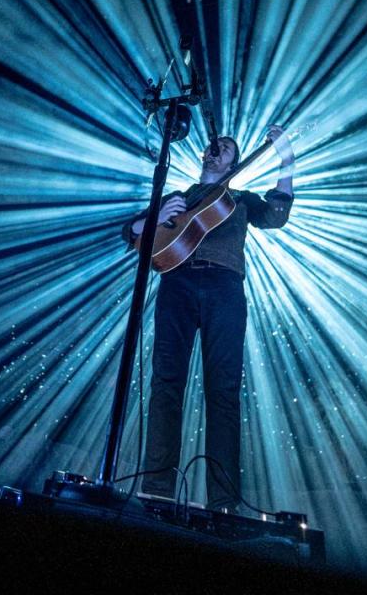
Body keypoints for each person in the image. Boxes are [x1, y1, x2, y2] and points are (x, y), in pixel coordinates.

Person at [120, 136, 293, 512]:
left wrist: (287, 159)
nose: (218, 147)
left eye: (227, 146)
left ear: (234, 163)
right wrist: (155, 216)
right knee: (166, 383)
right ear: (204, 155)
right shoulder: (178, 195)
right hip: (177, 283)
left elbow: (277, 215)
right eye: (215, 144)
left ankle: (224, 503)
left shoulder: (241, 199)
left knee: (224, 391)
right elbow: (130, 235)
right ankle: (157, 491)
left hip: (224, 287)